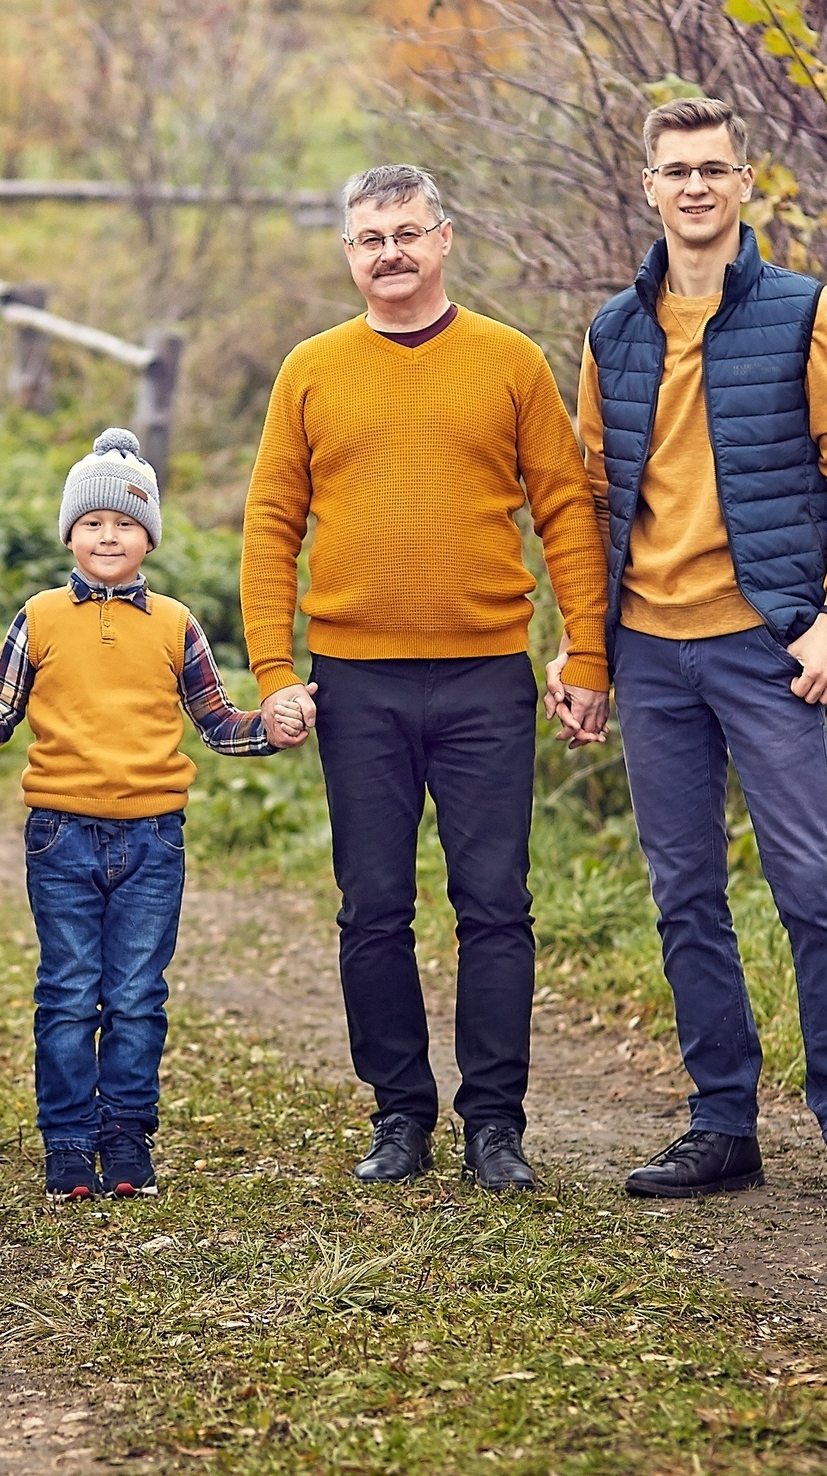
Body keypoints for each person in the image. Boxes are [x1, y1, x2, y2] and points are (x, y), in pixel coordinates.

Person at [555, 93, 827, 1211]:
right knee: (684, 894)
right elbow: (589, 504)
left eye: (714, 168)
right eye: (676, 170)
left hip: (766, 647)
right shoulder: (612, 332)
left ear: (742, 183)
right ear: (649, 187)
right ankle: (722, 1125)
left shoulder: (808, 312)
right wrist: (585, 655)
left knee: (810, 884)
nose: (696, 186)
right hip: (650, 655)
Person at [241, 164, 610, 1193]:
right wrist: (274, 668)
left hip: (486, 676)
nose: (390, 252)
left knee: (495, 903)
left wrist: (587, 651)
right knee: (372, 907)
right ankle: (399, 1114)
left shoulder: (509, 361)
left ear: (443, 239)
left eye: (407, 232)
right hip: (354, 679)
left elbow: (566, 511)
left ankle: (496, 1124)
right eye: (370, 237)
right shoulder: (310, 370)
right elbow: (271, 523)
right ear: (347, 253)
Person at [0, 429, 284, 1201]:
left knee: (135, 992)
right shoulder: (38, 616)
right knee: (67, 990)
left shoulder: (175, 623)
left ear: (149, 538)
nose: (108, 535)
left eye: (126, 523)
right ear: (70, 531)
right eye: (92, 522)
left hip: (154, 837)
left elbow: (218, 722)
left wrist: (274, 726)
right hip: (61, 832)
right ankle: (67, 1141)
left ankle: (126, 1131)